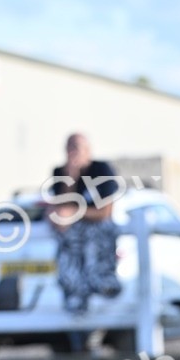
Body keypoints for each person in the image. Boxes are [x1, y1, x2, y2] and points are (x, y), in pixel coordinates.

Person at [45, 133, 122, 321]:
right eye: (69, 147)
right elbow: (60, 212)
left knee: (96, 255)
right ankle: (76, 299)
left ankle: (101, 288)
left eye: (77, 147)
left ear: (88, 150)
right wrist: (71, 177)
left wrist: (75, 212)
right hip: (73, 241)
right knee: (68, 256)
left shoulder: (101, 170)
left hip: (98, 237)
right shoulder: (61, 173)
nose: (73, 152)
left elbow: (104, 212)